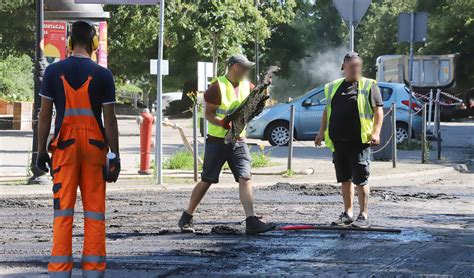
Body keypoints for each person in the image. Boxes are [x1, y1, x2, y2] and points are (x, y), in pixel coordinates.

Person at [36, 21, 120, 278]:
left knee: (63, 213)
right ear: (94, 44)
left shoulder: (53, 72)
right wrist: (114, 155)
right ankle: (93, 271)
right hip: (95, 150)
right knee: (95, 213)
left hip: (65, 150)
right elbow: (110, 119)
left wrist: (40, 152)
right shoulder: (103, 75)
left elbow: (45, 115)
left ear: (70, 43)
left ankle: (60, 271)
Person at [178, 54, 276, 235]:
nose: (247, 70)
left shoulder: (248, 85)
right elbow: (208, 115)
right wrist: (223, 123)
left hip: (238, 140)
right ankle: (187, 216)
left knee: (245, 177)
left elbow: (256, 103)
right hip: (217, 141)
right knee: (207, 180)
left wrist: (264, 93)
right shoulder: (217, 87)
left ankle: (251, 220)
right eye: (244, 67)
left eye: (248, 67)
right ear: (233, 67)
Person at [314, 52, 384, 228]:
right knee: (344, 179)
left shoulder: (369, 85)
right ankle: (348, 213)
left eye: (358, 66)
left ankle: (364, 215)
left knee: (361, 179)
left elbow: (378, 111)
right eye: (351, 66)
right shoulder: (333, 87)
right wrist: (321, 131)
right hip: (339, 141)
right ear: (343, 67)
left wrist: (376, 132)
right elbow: (326, 110)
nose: (355, 69)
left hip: (359, 141)